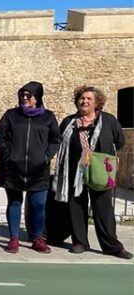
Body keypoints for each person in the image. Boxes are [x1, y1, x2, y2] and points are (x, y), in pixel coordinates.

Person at [51, 85, 131, 260]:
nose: (84, 101)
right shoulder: (69, 122)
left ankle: (112, 246)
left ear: (97, 103)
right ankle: (79, 242)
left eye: (89, 99)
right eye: (82, 98)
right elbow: (59, 142)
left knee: (103, 209)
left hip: (100, 171)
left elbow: (120, 141)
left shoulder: (109, 121)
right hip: (74, 171)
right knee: (76, 205)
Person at [0, 82, 60, 254]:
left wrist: (45, 157)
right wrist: (8, 156)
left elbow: (55, 140)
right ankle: (13, 238)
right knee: (14, 202)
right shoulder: (11, 115)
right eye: (22, 95)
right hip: (13, 168)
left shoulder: (48, 117)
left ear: (37, 97)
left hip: (39, 170)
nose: (24, 98)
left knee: (38, 205)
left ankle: (37, 238)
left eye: (28, 95)